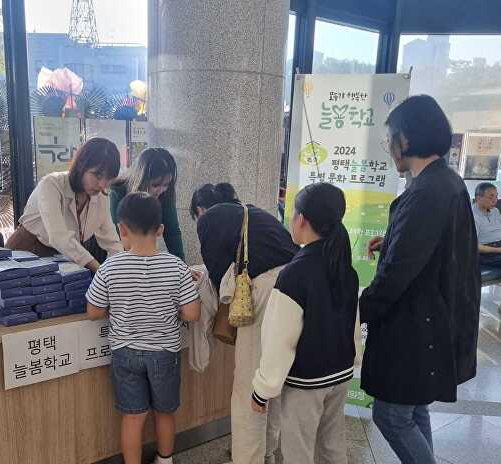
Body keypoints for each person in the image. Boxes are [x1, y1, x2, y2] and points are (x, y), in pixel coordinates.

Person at [361, 95, 480, 464]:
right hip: (432, 322)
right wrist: (393, 240)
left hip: (414, 327)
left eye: (390, 139)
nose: (390, 148)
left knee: (391, 417)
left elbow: (399, 274)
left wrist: (359, 308)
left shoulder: (427, 192)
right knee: (413, 411)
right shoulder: (445, 182)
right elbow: (434, 250)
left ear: (406, 141)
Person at [86, 192, 201, 464]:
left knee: (133, 416)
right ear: (161, 230)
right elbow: (192, 314)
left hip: (124, 352)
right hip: (165, 353)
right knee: (164, 413)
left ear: (121, 229)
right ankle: (164, 460)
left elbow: (94, 312)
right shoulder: (176, 267)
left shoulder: (110, 267)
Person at [191, 183, 299, 464]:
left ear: (199, 211)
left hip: (262, 294)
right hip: (294, 289)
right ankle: (267, 451)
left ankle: (247, 459)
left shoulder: (208, 220)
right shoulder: (252, 212)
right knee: (272, 378)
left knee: (249, 383)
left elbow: (220, 279)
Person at [251, 183, 358, 464]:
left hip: (306, 383)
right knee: (332, 446)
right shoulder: (344, 266)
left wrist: (263, 389)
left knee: (298, 452)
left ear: (301, 219)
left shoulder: (294, 274)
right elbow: (353, 323)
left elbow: (279, 340)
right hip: (340, 373)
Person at [6, 138, 123, 272]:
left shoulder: (101, 197)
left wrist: (117, 272)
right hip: (26, 251)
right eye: (97, 176)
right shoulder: (51, 184)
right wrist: (98, 270)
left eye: (108, 179)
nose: (102, 184)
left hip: (63, 258)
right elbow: (58, 236)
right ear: (81, 166)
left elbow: (112, 242)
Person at [110, 148, 185, 259]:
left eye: (166, 184)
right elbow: (119, 237)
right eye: (155, 185)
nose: (161, 190)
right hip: (116, 254)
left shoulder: (165, 194)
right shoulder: (117, 191)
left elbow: (172, 231)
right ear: (141, 178)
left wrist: (181, 265)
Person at [472, 182, 501, 266]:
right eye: (491, 197)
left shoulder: (495, 211)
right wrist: (499, 250)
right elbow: (474, 246)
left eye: (496, 196)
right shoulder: (471, 215)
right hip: (487, 252)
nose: (495, 200)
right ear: (478, 198)